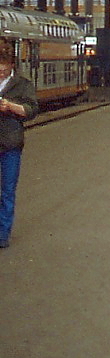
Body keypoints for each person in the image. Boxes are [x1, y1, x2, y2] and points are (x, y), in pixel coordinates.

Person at [0, 39, 40, 248]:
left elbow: (31, 110)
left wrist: (10, 107)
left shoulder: (22, 85)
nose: (0, 72)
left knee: (7, 190)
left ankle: (2, 234)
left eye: (3, 69)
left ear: (11, 66)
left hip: (10, 145)